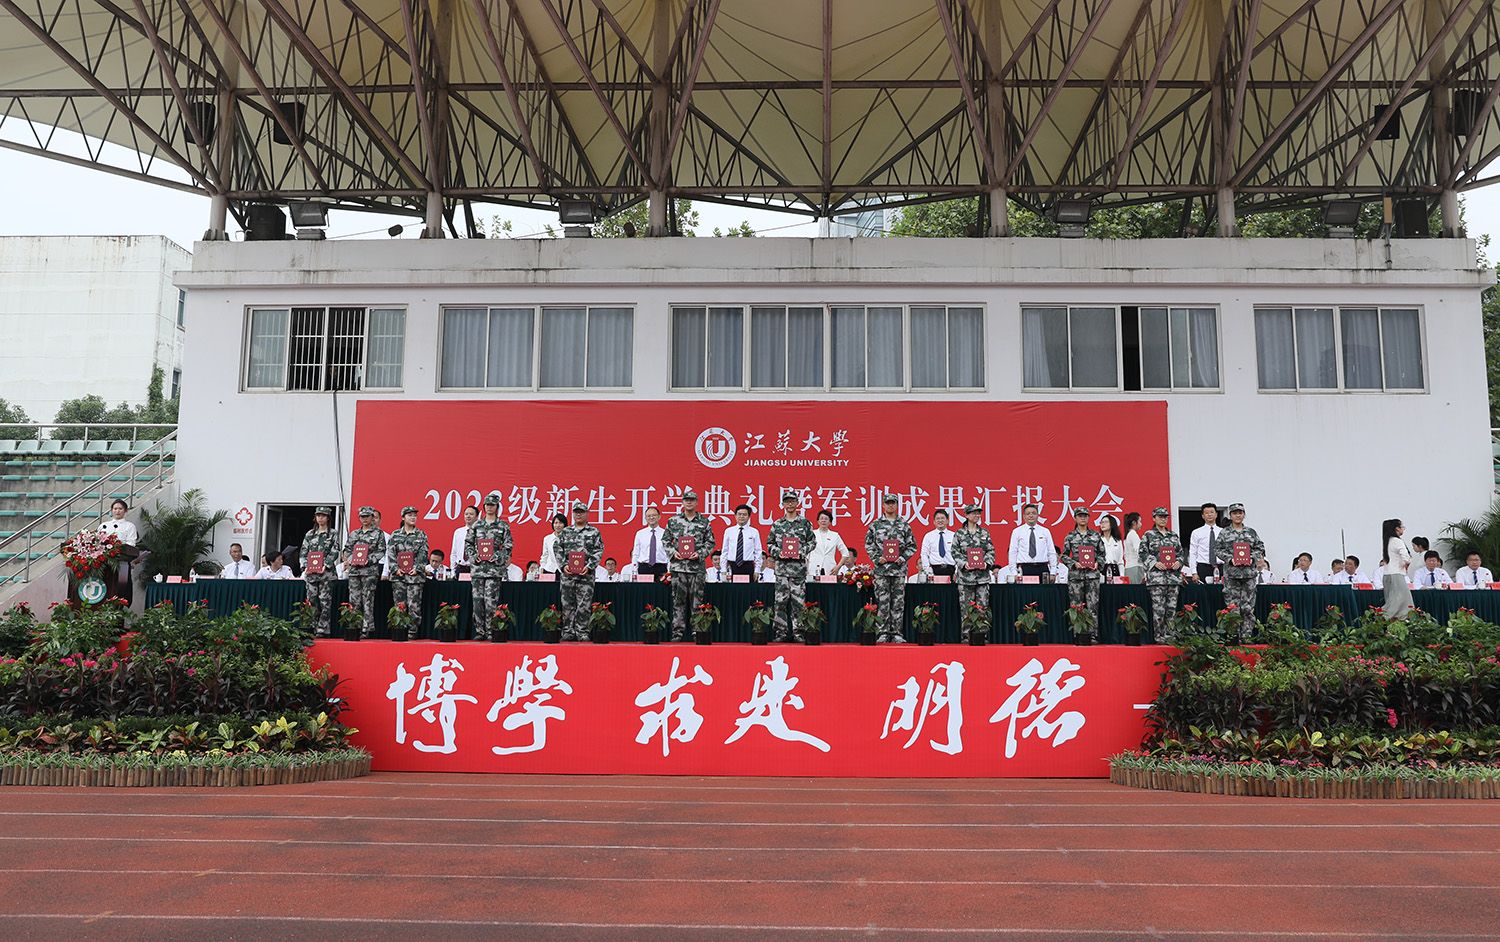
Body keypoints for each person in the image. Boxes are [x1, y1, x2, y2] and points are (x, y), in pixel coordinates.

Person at [664, 490, 716, 641]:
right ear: (682, 502)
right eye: (686, 500)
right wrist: (673, 553)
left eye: (692, 500)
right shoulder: (673, 521)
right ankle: (677, 633)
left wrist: (700, 554)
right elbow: (665, 540)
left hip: (696, 568)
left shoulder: (704, 522)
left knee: (697, 602)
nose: (689, 502)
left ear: (696, 502)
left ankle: (697, 631)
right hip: (678, 567)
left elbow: (710, 542)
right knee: (678, 602)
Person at [865, 494, 916, 643]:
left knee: (898, 602)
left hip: (898, 570)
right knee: (882, 602)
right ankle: (882, 632)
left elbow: (912, 546)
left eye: (893, 503)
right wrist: (877, 558)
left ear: (897, 505)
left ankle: (896, 633)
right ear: (883, 505)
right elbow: (869, 544)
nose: (890, 505)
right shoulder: (875, 525)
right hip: (882, 570)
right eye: (888, 503)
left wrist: (903, 558)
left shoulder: (904, 525)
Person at [766, 491, 815, 641]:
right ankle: (780, 633)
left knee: (798, 603)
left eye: (792, 501)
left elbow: (812, 542)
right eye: (787, 501)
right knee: (780, 602)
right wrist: (778, 552)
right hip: (781, 570)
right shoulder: (777, 524)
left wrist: (801, 552)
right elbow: (769, 544)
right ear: (783, 504)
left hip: (798, 570)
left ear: (797, 503)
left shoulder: (805, 523)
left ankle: (798, 632)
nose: (790, 504)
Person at [466, 492, 514, 640]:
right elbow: (468, 544)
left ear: (497, 507)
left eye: (492, 505)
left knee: (491, 602)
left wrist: (498, 556)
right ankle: (480, 632)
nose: (489, 507)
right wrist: (473, 556)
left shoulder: (503, 525)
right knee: (477, 602)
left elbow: (508, 545)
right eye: (487, 505)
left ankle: (490, 631)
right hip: (478, 569)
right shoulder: (477, 525)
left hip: (494, 570)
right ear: (484, 506)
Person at [554, 501, 604, 641]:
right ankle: (568, 631)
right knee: (567, 604)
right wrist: (563, 565)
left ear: (587, 514)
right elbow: (557, 548)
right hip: (568, 575)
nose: (578, 515)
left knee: (584, 605)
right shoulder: (566, 531)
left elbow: (598, 550)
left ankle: (582, 632)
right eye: (576, 512)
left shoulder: (594, 532)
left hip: (586, 575)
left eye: (581, 512)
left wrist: (589, 566)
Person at [1217, 503, 1265, 638]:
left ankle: (1246, 636)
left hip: (1249, 575)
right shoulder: (1224, 532)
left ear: (1244, 515)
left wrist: (1252, 558)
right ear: (1230, 515)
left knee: (1248, 607)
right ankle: (1233, 636)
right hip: (1232, 575)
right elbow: (1217, 549)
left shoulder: (1251, 532)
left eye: (1240, 513)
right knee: (1233, 607)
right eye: (1235, 513)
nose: (1238, 515)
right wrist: (1230, 559)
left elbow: (1260, 547)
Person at [952, 503, 995, 642]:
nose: (977, 515)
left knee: (982, 608)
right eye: (973, 513)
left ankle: (981, 635)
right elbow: (954, 552)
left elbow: (991, 551)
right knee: (966, 609)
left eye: (978, 513)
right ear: (966, 515)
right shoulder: (959, 533)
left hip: (982, 577)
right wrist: (964, 563)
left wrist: (986, 563)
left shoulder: (984, 533)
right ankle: (966, 636)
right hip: (965, 577)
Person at [1060, 508, 1105, 641]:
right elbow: (1063, 555)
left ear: (1089, 518)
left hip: (1092, 576)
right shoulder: (1070, 536)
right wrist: (1074, 563)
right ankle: (1078, 634)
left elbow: (1102, 554)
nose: (1083, 518)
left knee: (1093, 607)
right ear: (1075, 518)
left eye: (1085, 516)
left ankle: (1092, 635)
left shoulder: (1096, 535)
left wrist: (1097, 563)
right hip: (1076, 576)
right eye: (1080, 516)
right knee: (1076, 607)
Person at [1140, 507, 1185, 641]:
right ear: (1154, 518)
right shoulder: (1148, 535)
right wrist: (1154, 563)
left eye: (1165, 517)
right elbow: (1142, 553)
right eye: (1160, 517)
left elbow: (1181, 554)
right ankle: (1159, 636)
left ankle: (1170, 635)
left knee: (1171, 609)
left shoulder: (1173, 535)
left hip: (1173, 578)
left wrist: (1179, 562)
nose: (1163, 519)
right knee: (1158, 610)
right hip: (1157, 578)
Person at [342, 506, 386, 638]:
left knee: (368, 599)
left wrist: (369, 560)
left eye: (367, 516)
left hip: (369, 571)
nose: (365, 519)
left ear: (372, 517)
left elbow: (381, 551)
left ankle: (367, 628)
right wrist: (352, 559)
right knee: (354, 599)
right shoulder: (354, 533)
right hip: (355, 571)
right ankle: (355, 625)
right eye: (362, 516)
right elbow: (347, 549)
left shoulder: (378, 533)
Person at [298, 507, 340, 637]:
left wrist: (326, 565)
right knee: (312, 600)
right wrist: (305, 566)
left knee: (324, 600)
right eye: (318, 516)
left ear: (328, 518)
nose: (320, 518)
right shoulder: (310, 534)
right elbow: (303, 551)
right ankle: (313, 625)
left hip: (326, 573)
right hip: (311, 574)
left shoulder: (332, 533)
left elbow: (335, 550)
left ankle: (323, 628)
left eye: (323, 516)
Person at [388, 506, 430, 626]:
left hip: (415, 577)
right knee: (399, 606)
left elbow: (423, 554)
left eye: (415, 515)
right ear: (403, 517)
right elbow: (391, 553)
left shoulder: (421, 535)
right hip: (399, 576)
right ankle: (399, 630)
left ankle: (412, 631)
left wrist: (417, 568)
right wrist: (395, 569)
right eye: (410, 515)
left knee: (414, 606)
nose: (413, 518)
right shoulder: (395, 534)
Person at [97, 498, 139, 603]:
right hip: (104, 563)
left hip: (121, 562)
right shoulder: (104, 526)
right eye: (115, 509)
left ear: (125, 511)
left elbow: (131, 544)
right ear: (111, 510)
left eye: (120, 509)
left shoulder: (130, 526)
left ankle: (119, 606)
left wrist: (118, 546)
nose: (117, 511)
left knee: (121, 588)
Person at [1007, 503, 1056, 581]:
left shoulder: (1045, 531)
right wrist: (1014, 573)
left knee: (1044, 589)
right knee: (1025, 589)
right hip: (1024, 568)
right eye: (1028, 513)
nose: (1031, 515)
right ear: (1024, 516)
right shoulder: (1017, 531)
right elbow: (1013, 552)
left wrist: (1053, 572)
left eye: (1033, 513)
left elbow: (1051, 552)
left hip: (1042, 568)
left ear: (1038, 515)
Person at [720, 504, 763, 580]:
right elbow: (725, 551)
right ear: (735, 516)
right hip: (732, 566)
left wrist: (757, 570)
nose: (741, 516)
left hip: (748, 566)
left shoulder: (754, 532)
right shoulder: (729, 531)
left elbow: (758, 551)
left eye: (744, 514)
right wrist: (723, 569)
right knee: (733, 588)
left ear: (749, 517)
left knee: (748, 588)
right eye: (739, 514)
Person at [1381, 519, 1414, 618]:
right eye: (1402, 527)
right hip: (1397, 575)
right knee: (1404, 604)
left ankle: (1385, 620)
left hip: (1387, 575)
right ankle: (1383, 618)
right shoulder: (1397, 541)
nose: (1403, 529)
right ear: (1397, 529)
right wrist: (1406, 563)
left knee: (1392, 602)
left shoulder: (1387, 541)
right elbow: (1406, 558)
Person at [806, 510, 852, 579]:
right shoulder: (812, 534)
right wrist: (806, 569)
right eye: (821, 518)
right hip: (813, 569)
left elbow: (845, 553)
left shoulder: (835, 535)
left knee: (828, 586)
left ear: (830, 522)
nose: (823, 521)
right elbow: (806, 553)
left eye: (826, 519)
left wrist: (838, 566)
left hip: (830, 569)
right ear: (818, 521)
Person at [630, 506, 669, 582]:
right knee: (644, 589)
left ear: (659, 517)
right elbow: (636, 553)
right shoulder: (640, 533)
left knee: (660, 589)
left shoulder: (665, 533)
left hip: (661, 568)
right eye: (648, 516)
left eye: (654, 515)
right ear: (645, 518)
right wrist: (634, 571)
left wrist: (669, 571)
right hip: (644, 568)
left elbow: (668, 554)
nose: (651, 517)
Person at [1187, 503, 1222, 583]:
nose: (1209, 515)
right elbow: (1193, 553)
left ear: (1216, 514)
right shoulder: (1196, 532)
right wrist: (1194, 572)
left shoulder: (1223, 532)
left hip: (1221, 567)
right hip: (1203, 567)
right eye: (1206, 513)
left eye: (1212, 512)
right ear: (1203, 516)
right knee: (1204, 590)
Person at [920, 509, 957, 579]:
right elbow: (924, 554)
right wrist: (928, 570)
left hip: (951, 569)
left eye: (942, 518)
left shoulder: (954, 535)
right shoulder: (928, 536)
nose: (940, 520)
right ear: (934, 522)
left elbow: (958, 554)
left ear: (947, 521)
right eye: (938, 518)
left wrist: (957, 571)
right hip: (934, 570)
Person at [450, 505, 478, 575]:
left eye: (471, 514)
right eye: (466, 514)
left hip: (475, 568)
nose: (468, 516)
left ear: (477, 517)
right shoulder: (458, 532)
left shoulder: (480, 532)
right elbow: (454, 553)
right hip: (460, 568)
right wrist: (452, 570)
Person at [1099, 514, 1124, 580]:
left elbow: (1120, 561)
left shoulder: (1117, 541)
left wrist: (1122, 575)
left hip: (1115, 570)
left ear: (1112, 524)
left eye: (1106, 522)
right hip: (1102, 570)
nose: (1103, 524)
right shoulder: (1098, 540)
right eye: (1102, 522)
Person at [1122, 512, 1144, 584]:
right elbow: (1139, 551)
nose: (1141, 524)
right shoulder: (1133, 534)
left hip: (1129, 567)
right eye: (1140, 521)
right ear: (1134, 523)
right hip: (1135, 567)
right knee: (1137, 589)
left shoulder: (1128, 534)